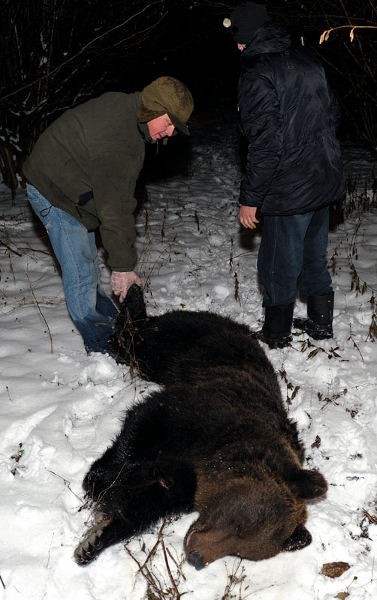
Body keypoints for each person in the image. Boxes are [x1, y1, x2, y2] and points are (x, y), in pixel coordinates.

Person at [23, 76, 194, 355]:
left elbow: (115, 196)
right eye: (169, 122)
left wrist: (121, 263)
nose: (171, 132)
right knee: (79, 271)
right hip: (52, 190)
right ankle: (102, 345)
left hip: (74, 184)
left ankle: (112, 322)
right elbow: (114, 208)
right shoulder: (121, 141)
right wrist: (124, 267)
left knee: (89, 263)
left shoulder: (128, 108)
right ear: (153, 108)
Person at [223, 2, 345, 348]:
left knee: (278, 263)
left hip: (289, 189)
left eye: (239, 38)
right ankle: (321, 326)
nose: (237, 46)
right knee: (312, 256)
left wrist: (250, 198)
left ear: (248, 37)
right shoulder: (308, 60)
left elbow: (265, 144)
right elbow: (334, 116)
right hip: (323, 179)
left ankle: (276, 334)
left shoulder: (257, 74)